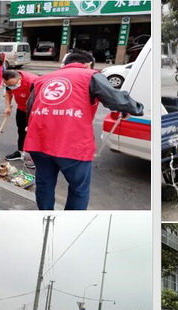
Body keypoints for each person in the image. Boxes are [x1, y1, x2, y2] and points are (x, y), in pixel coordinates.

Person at [24, 49, 143, 210]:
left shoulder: (42, 80)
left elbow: (30, 108)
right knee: (78, 189)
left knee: (44, 183)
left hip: (38, 143)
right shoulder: (90, 75)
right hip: (72, 145)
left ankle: (46, 218)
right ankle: (72, 224)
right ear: (87, 64)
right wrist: (136, 108)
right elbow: (117, 99)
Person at [1, 69, 41, 165]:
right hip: (21, 108)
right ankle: (20, 151)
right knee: (21, 130)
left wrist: (33, 117)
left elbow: (39, 100)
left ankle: (33, 157)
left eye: (13, 85)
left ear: (19, 79)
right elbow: (8, 93)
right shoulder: (9, 82)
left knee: (32, 132)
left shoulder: (32, 82)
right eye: (9, 85)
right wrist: (7, 106)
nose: (11, 87)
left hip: (34, 110)